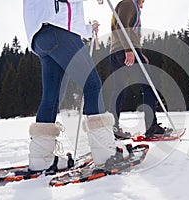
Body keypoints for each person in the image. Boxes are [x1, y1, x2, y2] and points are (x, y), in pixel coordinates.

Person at [23, 0, 126, 173]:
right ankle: (105, 154)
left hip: (40, 35)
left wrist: (86, 29)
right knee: (92, 85)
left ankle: (41, 159)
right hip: (57, 29)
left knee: (52, 97)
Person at [109, 0, 171, 139]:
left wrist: (139, 52)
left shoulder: (130, 5)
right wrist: (129, 50)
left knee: (119, 90)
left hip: (118, 51)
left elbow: (131, 32)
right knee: (149, 86)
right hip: (125, 50)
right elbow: (121, 26)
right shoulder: (128, 3)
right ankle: (151, 127)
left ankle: (113, 128)